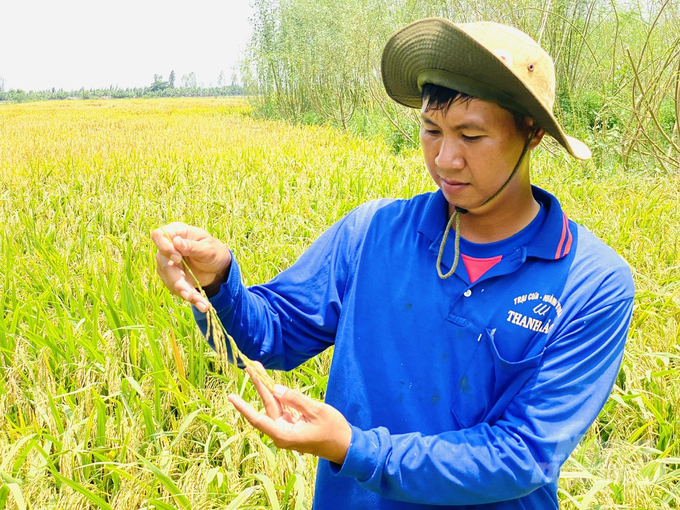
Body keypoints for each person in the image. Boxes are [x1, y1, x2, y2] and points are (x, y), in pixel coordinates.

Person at [152, 19, 634, 509]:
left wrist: (356, 449)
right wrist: (215, 280)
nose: (445, 159)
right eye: (432, 130)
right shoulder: (371, 234)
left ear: (531, 134)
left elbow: (521, 454)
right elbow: (266, 337)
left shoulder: (591, 283)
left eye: (471, 135)